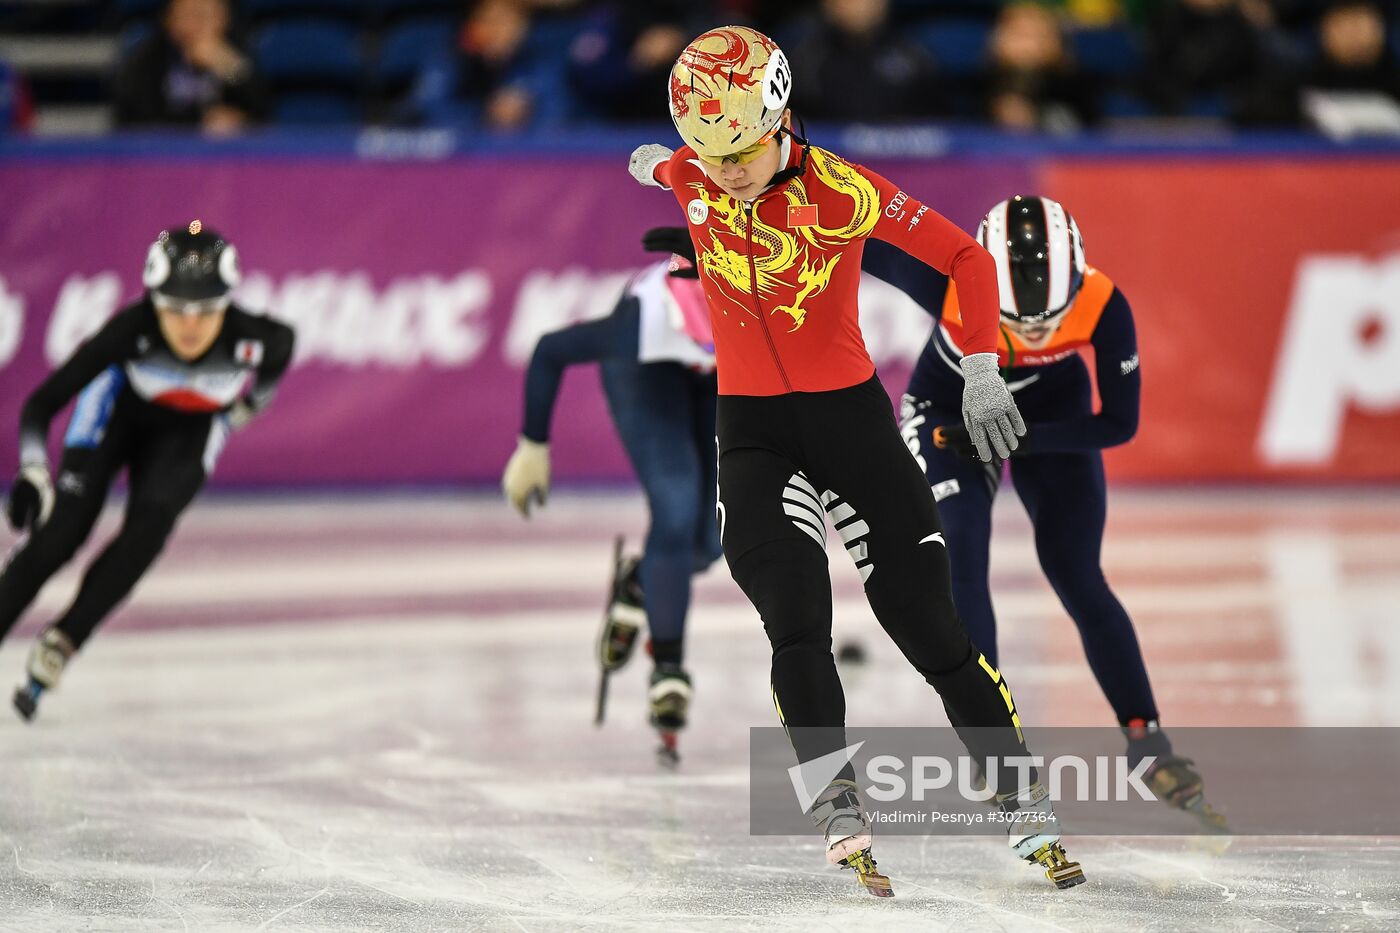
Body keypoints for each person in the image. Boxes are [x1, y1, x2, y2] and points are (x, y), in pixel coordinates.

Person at [628, 26, 1084, 895]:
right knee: (793, 621)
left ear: (783, 118)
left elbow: (964, 255)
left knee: (931, 632)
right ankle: (839, 807)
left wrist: (984, 364)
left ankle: (1025, 806)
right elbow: (667, 168)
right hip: (753, 437)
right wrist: (658, 163)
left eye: (742, 150)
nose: (724, 169)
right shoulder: (693, 171)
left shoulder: (842, 191)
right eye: (707, 153)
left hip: (852, 430)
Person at [864, 194, 1226, 830]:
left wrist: (1021, 437)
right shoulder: (943, 276)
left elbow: (1118, 422)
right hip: (949, 413)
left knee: (1078, 575)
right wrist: (724, 256)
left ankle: (1147, 741)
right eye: (1015, 322)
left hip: (1046, 418)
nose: (1032, 335)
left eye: (1048, 323)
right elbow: (837, 233)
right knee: (961, 561)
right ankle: (992, 740)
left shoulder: (1101, 300)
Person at [2, 222, 294, 721]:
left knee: (150, 527)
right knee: (60, 535)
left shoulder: (258, 339)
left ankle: (67, 636)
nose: (190, 326)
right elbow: (41, 404)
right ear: (153, 301)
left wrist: (248, 409)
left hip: (188, 432)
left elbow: (282, 351)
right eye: (175, 309)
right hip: (119, 415)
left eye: (206, 311)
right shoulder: (129, 331)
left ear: (227, 304)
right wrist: (34, 470)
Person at [501, 227, 722, 763]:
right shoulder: (639, 322)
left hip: (725, 373)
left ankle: (639, 582)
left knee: (714, 539)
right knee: (676, 503)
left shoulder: (776, 300)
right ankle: (668, 667)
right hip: (645, 372)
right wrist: (533, 446)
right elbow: (551, 350)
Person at [113, 0, 268, 133]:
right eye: (190, 14)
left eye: (206, 15)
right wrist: (199, 123)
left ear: (225, 18)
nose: (198, 25)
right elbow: (138, 121)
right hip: (161, 156)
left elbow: (263, 113)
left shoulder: (235, 54)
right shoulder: (147, 59)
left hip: (223, 157)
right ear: (170, 19)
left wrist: (231, 68)